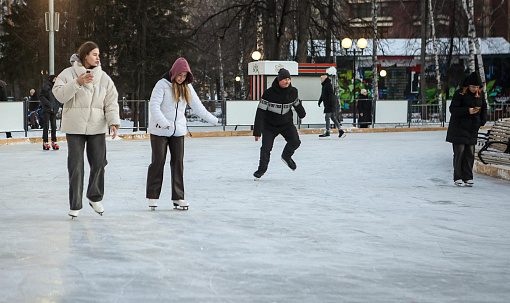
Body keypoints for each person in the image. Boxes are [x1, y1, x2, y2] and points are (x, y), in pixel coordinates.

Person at [52, 41, 120, 218]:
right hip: (75, 127)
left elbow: (111, 102)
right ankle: (75, 204)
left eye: (99, 54)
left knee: (99, 162)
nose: (98, 57)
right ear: (85, 56)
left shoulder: (104, 78)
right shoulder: (68, 74)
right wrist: (77, 83)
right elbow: (59, 95)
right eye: (95, 54)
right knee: (76, 166)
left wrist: (113, 122)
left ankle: (94, 196)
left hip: (97, 126)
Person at [146, 57, 218, 211]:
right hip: (159, 130)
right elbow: (154, 106)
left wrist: (212, 119)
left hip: (178, 131)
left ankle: (178, 197)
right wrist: (164, 123)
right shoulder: (162, 85)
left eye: (185, 76)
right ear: (174, 72)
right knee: (158, 161)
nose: (181, 78)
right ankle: (153, 196)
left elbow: (198, 107)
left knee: (178, 163)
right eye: (180, 75)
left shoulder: (187, 88)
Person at [253, 68, 306, 179]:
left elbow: (297, 104)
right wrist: (257, 131)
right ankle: (261, 169)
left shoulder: (293, 92)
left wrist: (302, 114)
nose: (287, 82)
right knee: (266, 148)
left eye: (288, 79)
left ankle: (286, 156)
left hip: (286, 124)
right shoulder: (269, 93)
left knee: (295, 142)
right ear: (278, 80)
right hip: (269, 126)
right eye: (284, 79)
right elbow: (260, 112)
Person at [446, 72, 487, 187]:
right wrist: (467, 111)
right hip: (458, 128)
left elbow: (484, 108)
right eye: (473, 87)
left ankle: (468, 177)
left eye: (476, 87)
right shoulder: (460, 94)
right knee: (459, 152)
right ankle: (458, 177)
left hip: (472, 128)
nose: (474, 89)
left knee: (470, 153)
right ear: (468, 86)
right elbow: (453, 109)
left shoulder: (480, 94)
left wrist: (481, 121)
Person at [39, 75, 61, 150]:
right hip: (47, 109)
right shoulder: (47, 87)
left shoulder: (56, 87)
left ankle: (54, 140)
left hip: (54, 109)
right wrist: (48, 103)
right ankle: (45, 141)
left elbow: (58, 97)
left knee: (54, 126)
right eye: (55, 79)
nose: (56, 80)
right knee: (46, 126)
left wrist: (57, 105)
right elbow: (41, 96)